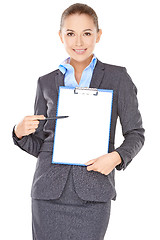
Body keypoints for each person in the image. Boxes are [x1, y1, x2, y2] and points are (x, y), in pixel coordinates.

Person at [12, 3, 145, 240]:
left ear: (98, 35)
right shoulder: (45, 82)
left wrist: (115, 157)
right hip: (47, 193)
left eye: (87, 33)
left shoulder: (117, 77)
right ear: (60, 36)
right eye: (71, 34)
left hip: (93, 193)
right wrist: (19, 132)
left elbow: (136, 133)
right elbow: (42, 144)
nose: (79, 42)